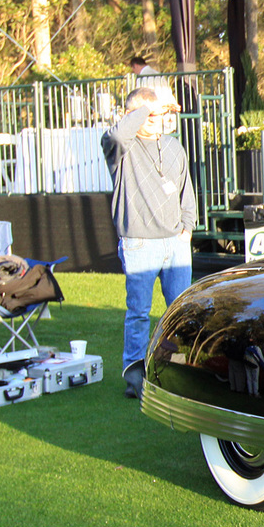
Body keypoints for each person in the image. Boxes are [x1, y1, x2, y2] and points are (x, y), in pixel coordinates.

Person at [102, 87, 194, 398]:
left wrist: (187, 229)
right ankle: (135, 379)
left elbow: (186, 191)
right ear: (133, 115)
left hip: (176, 244)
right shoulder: (121, 151)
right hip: (139, 243)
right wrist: (150, 108)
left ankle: (180, 371)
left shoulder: (173, 146)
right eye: (148, 114)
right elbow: (115, 136)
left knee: (180, 311)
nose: (157, 118)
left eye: (160, 113)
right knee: (138, 312)